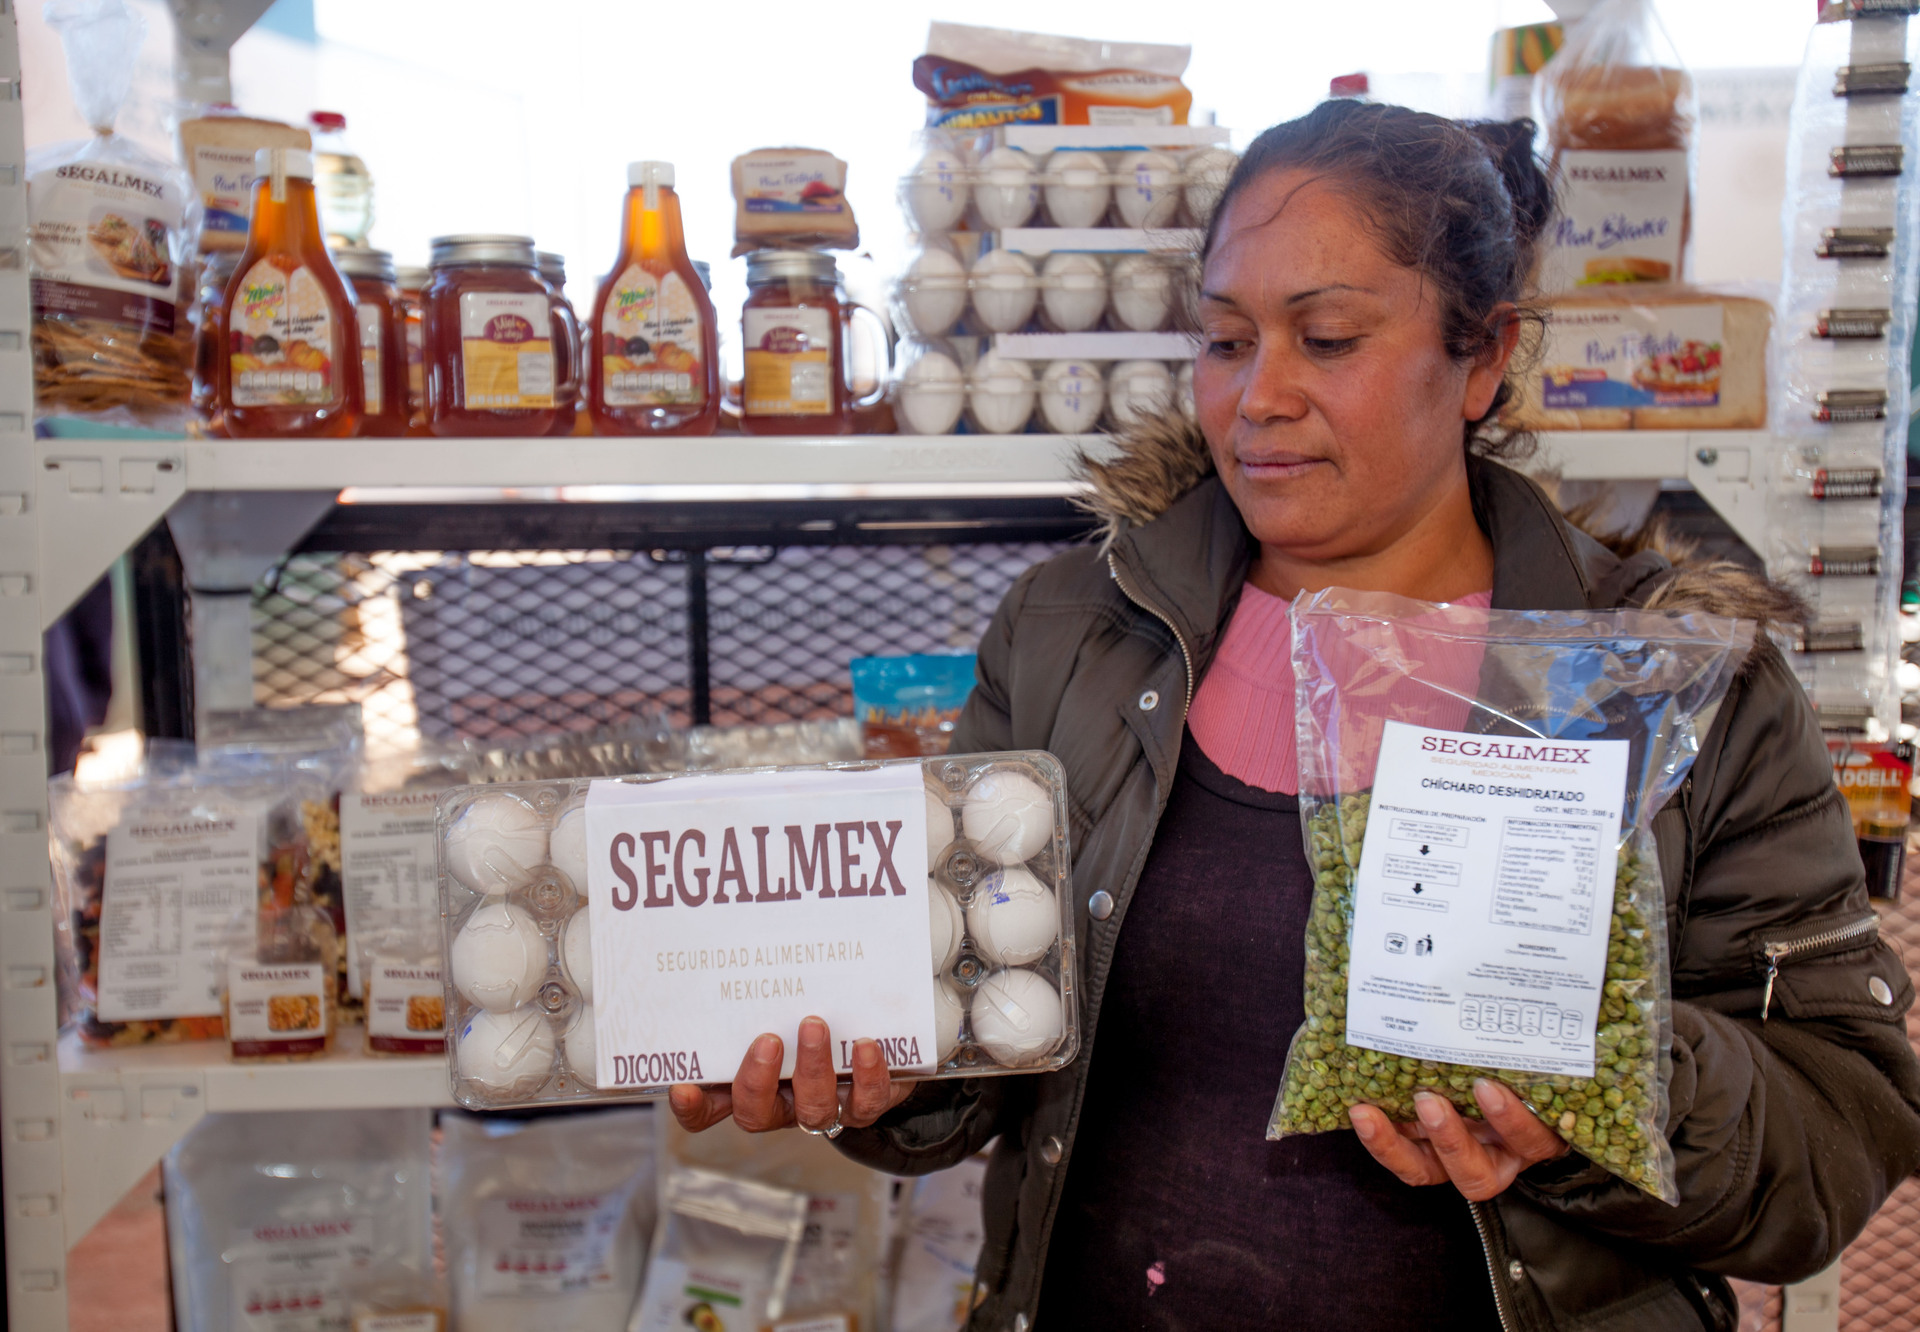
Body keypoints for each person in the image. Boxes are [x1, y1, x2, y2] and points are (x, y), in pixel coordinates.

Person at [669, 100, 1920, 1330]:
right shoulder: (1074, 635)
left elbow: (1843, 1129)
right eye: (1226, 340)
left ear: (1484, 357)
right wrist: (876, 1075)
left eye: (1326, 339)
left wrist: (1603, 1079)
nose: (1258, 396)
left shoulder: (1675, 684)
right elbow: (976, 1046)